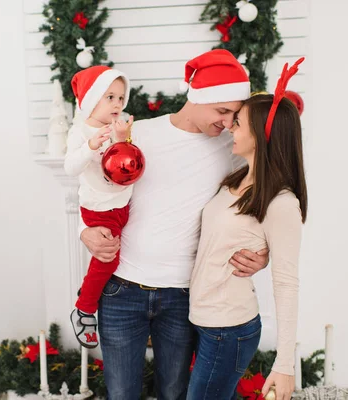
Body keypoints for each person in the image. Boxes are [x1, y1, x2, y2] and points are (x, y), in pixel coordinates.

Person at [79, 49, 269, 399]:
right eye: (222, 111)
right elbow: (92, 185)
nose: (227, 122)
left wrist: (265, 252)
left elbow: (263, 200)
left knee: (174, 392)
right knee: (121, 393)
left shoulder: (234, 146)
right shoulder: (138, 134)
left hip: (184, 295)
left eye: (233, 115)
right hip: (122, 289)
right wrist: (85, 230)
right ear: (197, 99)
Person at [187, 58, 307, 400]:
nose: (229, 128)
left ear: (260, 134)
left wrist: (285, 365)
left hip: (228, 329)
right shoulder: (235, 179)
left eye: (237, 123)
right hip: (204, 319)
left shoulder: (281, 203)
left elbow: (287, 284)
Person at [64, 65, 135, 349]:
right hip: (98, 208)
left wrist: (123, 138)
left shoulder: (118, 127)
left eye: (121, 97)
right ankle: (84, 308)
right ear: (92, 99)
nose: (118, 103)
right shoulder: (81, 131)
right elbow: (70, 167)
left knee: (114, 258)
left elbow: (125, 160)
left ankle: (91, 290)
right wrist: (91, 145)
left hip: (120, 205)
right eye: (110, 97)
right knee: (110, 258)